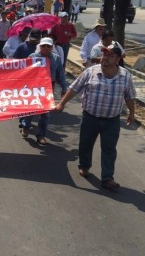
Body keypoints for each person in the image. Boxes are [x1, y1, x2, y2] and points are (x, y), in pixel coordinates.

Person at [55, 44, 135, 190]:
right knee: (85, 144)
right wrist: (61, 104)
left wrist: (132, 112)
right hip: (90, 117)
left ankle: (107, 178)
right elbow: (74, 89)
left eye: (110, 56)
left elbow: (130, 96)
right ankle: (84, 166)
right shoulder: (90, 72)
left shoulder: (125, 76)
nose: (105, 58)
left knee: (109, 148)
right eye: (104, 54)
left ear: (117, 59)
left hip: (112, 120)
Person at [20, 37, 68, 144]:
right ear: (40, 46)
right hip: (33, 87)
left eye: (48, 46)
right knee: (31, 110)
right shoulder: (32, 57)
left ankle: (41, 135)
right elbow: (24, 72)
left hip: (48, 88)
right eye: (43, 46)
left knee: (45, 113)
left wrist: (64, 88)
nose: (46, 48)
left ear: (52, 47)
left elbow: (60, 74)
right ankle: (25, 127)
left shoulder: (56, 59)